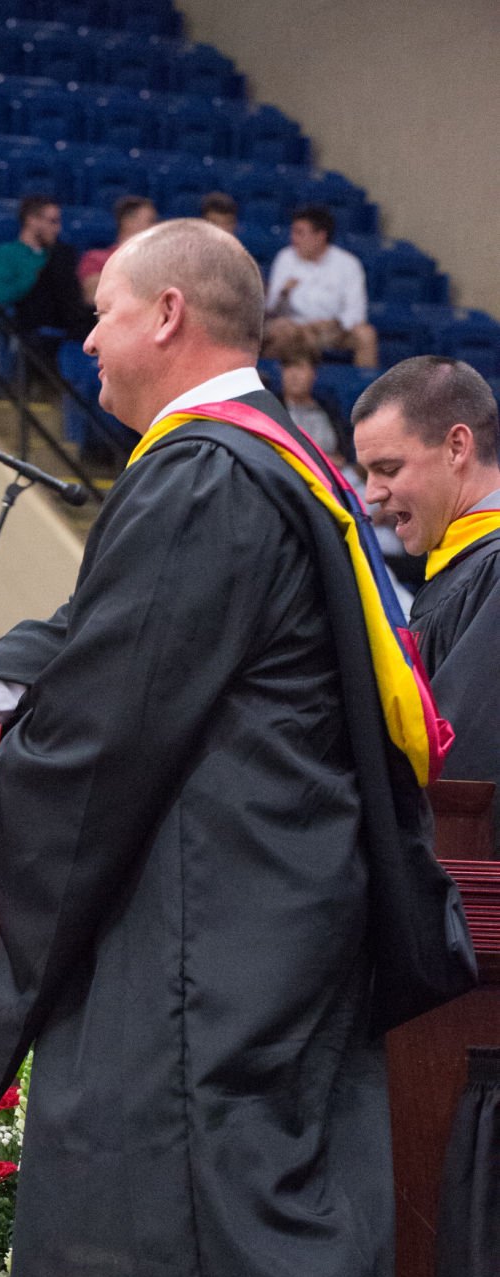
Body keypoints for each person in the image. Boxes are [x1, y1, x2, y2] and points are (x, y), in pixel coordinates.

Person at [0, 217, 470, 1277]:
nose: (79, 341)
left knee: (262, 1225)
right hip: (242, 904)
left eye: (97, 315)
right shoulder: (249, 462)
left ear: (166, 315)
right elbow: (106, 640)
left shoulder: (214, 473)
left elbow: (116, 704)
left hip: (237, 920)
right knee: (205, 1225)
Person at [353, 355, 500, 849]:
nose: (372, 493)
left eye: (388, 468)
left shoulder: (493, 575)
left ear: (457, 446)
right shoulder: (467, 570)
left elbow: (460, 777)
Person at [264, 204, 377, 370]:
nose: (293, 238)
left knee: (366, 334)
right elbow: (271, 308)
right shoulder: (285, 258)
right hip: (295, 326)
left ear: (320, 236)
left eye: (300, 233)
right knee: (282, 331)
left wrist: (334, 324)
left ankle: (364, 390)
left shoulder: (348, 264)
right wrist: (284, 293)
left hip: (332, 329)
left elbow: (356, 310)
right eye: (294, 232)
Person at [0, 196, 92, 346]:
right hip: (30, 319)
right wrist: (35, 274)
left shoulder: (61, 253)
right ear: (31, 220)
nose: (57, 229)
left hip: (66, 316)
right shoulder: (4, 254)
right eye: (52, 222)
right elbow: (1, 295)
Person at [77, 193, 157, 303]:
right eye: (151, 221)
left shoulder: (158, 263)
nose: (156, 227)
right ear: (128, 222)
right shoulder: (95, 259)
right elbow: (94, 297)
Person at [278, 348, 352, 466]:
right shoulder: (273, 408)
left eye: (300, 368)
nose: (293, 375)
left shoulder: (329, 408)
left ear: (314, 373)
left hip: (335, 474)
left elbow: (345, 451)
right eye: (288, 367)